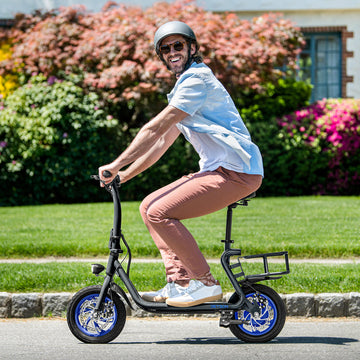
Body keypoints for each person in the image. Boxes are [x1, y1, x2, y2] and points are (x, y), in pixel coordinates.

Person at [99, 21, 263, 307]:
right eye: (166, 48)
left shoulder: (196, 80)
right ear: (161, 55)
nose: (172, 51)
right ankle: (181, 281)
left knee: (160, 211)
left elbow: (155, 128)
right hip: (220, 170)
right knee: (149, 206)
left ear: (191, 48)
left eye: (178, 45)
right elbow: (162, 141)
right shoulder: (183, 86)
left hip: (237, 171)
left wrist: (115, 163)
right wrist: (125, 174)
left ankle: (205, 283)